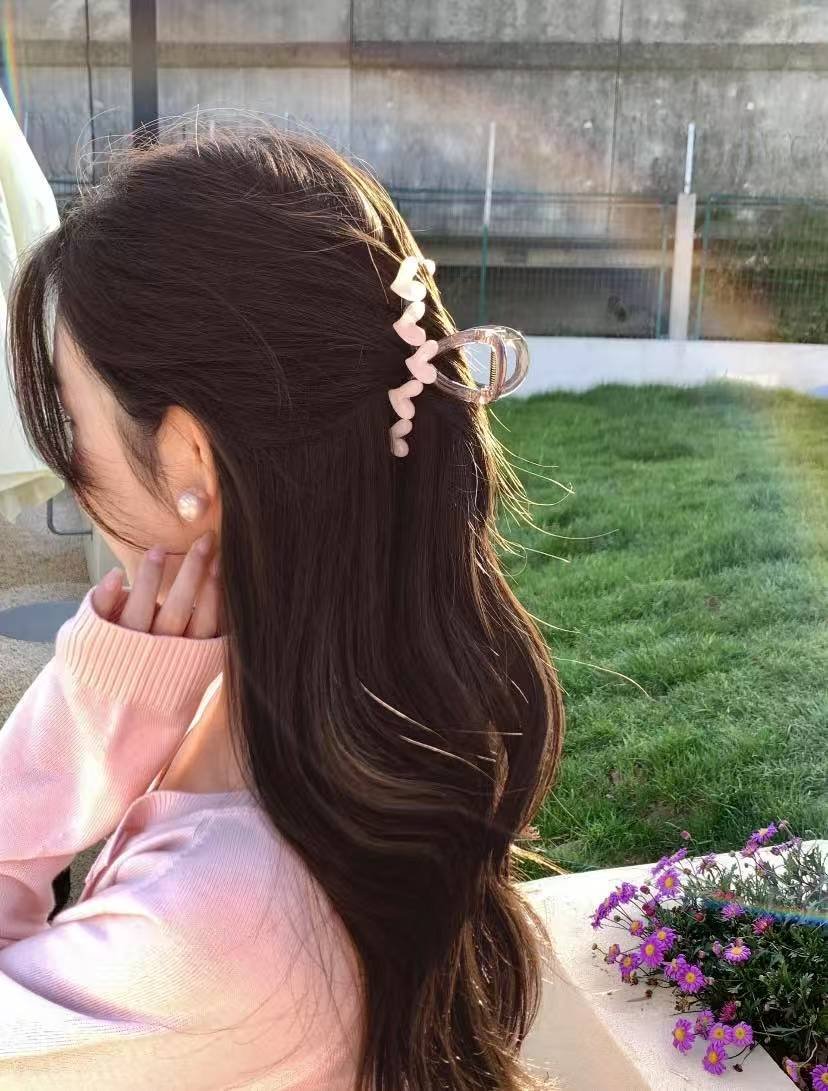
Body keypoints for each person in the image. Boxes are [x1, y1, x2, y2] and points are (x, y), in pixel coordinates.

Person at [1, 126, 564, 1090]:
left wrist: (84, 720)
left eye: (70, 415)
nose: (69, 468)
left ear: (189, 457)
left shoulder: (214, 917)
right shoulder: (363, 717)